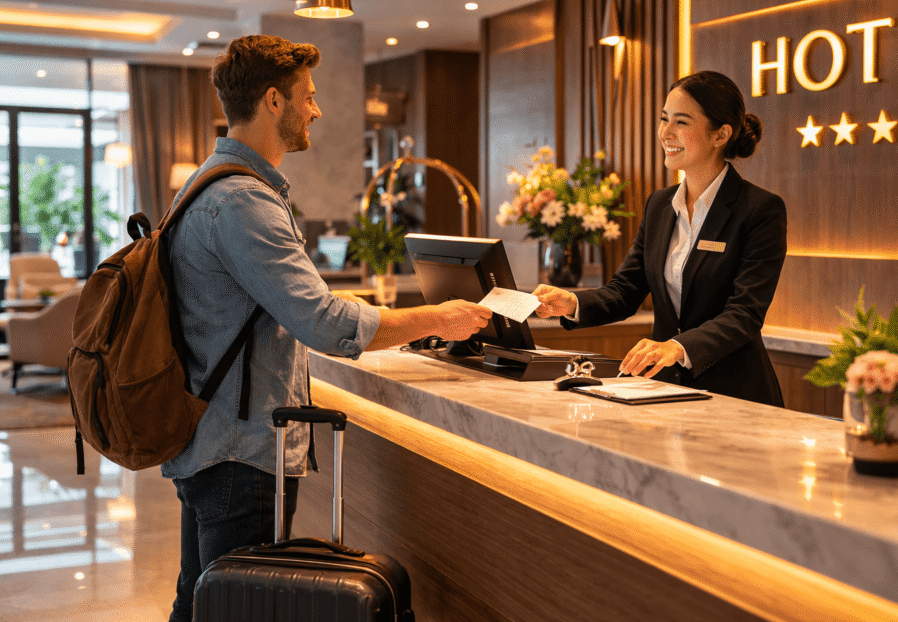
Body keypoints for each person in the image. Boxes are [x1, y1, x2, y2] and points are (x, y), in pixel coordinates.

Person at [163, 35, 492, 622]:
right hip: (239, 452)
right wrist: (440, 318)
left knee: (201, 599)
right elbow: (323, 322)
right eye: (308, 96)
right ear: (272, 101)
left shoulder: (212, 185)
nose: (316, 109)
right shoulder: (244, 202)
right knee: (230, 608)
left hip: (212, 441)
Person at [533, 70, 787, 407]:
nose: (665, 133)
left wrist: (677, 347)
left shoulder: (760, 210)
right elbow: (624, 291)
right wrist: (574, 303)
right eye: (664, 119)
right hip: (664, 392)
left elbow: (745, 313)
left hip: (736, 393)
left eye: (681, 122)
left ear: (721, 134)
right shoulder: (659, 205)